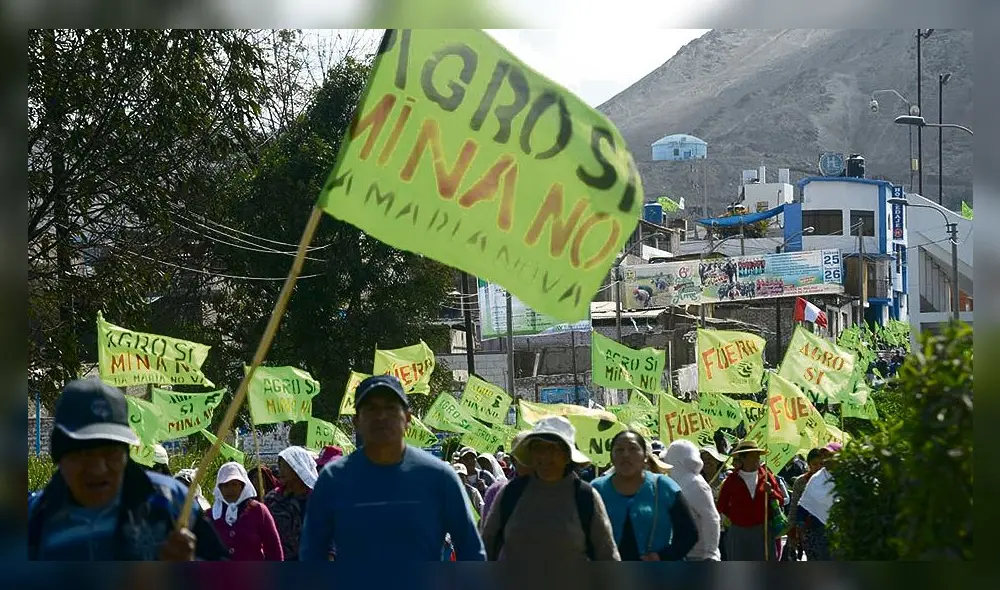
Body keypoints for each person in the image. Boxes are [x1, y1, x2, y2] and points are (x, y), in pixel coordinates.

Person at [28, 378, 226, 560]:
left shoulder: (170, 503)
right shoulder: (34, 517)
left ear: (126, 452)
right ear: (59, 454)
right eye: (83, 454)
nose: (98, 469)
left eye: (111, 453)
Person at [299, 375, 485, 561]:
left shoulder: (440, 477)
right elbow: (312, 555)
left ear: (408, 418)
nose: (381, 416)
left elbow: (472, 553)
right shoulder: (333, 479)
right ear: (356, 421)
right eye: (371, 408)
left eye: (391, 408)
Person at [480, 416, 619, 561]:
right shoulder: (511, 493)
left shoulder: (585, 497)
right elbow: (486, 548)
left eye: (553, 448)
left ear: (567, 456)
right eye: (539, 448)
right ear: (531, 453)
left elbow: (608, 555)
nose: (545, 456)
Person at [592, 430, 698, 561]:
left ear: (645, 456)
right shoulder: (596, 489)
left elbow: (689, 533)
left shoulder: (664, 487)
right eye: (619, 450)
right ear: (611, 456)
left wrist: (663, 557)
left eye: (633, 449)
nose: (625, 454)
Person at [716, 440, 784, 561]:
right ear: (743, 458)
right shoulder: (731, 480)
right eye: (753, 456)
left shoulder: (767, 476)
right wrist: (734, 516)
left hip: (762, 530)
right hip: (739, 531)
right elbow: (721, 505)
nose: (757, 459)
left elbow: (781, 499)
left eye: (758, 455)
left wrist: (771, 492)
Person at [211, 462, 283, 560]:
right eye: (225, 485)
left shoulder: (258, 511)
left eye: (234, 484)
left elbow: (273, 550)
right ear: (219, 488)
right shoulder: (211, 515)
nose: (230, 489)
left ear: (242, 486)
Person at [664, 439, 722, 561]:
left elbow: (711, 518)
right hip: (681, 554)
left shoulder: (696, 484)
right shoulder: (674, 481)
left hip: (700, 556)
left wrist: (711, 553)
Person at [264, 446, 318, 561]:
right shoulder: (272, 499)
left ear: (298, 466)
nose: (281, 471)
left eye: (286, 466)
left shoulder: (317, 500)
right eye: (280, 466)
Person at [797, 443, 840, 561]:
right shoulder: (816, 479)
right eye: (824, 456)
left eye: (830, 455)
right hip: (818, 531)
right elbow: (803, 505)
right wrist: (799, 526)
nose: (826, 459)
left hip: (842, 534)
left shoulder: (848, 477)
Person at [785, 448, 827, 560]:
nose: (818, 467)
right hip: (808, 529)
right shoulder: (801, 482)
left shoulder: (830, 480)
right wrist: (792, 533)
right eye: (814, 464)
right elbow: (794, 507)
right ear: (808, 465)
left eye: (821, 464)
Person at [481, 431, 531, 520]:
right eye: (524, 456)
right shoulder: (496, 491)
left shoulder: (552, 490)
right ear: (514, 460)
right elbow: (488, 530)